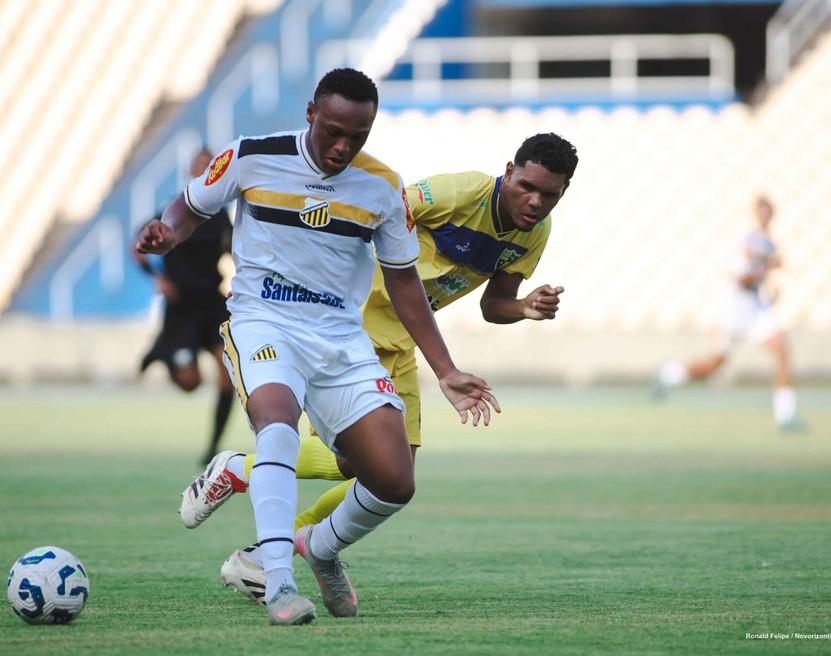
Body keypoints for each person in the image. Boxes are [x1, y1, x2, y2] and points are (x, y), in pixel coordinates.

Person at [136, 68, 499, 625]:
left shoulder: (382, 187)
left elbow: (403, 282)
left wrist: (445, 368)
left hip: (339, 337)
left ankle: (323, 549)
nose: (342, 146)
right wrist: (166, 230)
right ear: (310, 113)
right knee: (276, 424)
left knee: (393, 478)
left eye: (358, 136)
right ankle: (277, 583)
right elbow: (188, 210)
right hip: (263, 321)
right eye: (333, 131)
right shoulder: (252, 156)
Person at [182, 133, 580, 605]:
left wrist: (524, 308)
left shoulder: (535, 233)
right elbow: (377, 214)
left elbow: (494, 304)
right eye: (527, 186)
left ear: (563, 192)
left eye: (549, 194)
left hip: (404, 338)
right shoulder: (460, 193)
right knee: (364, 461)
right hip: (355, 321)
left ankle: (293, 540)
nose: (535, 201)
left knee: (394, 474)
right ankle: (246, 476)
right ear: (509, 170)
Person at [652, 195, 804, 431]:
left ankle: (785, 416)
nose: (765, 216)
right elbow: (742, 280)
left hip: (756, 309)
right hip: (734, 311)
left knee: (783, 352)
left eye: (769, 212)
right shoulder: (746, 241)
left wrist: (771, 293)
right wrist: (766, 266)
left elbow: (762, 279)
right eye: (762, 211)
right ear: (756, 213)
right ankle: (670, 374)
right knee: (714, 365)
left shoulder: (770, 244)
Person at [133, 149, 235, 465]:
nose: (205, 173)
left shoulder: (221, 217)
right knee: (190, 384)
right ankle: (163, 349)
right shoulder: (174, 211)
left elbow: (236, 250)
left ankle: (212, 448)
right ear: (191, 173)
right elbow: (137, 248)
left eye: (211, 168)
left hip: (212, 303)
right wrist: (156, 279)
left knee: (229, 373)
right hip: (181, 308)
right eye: (200, 167)